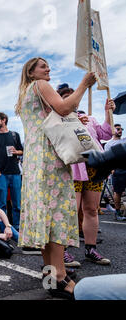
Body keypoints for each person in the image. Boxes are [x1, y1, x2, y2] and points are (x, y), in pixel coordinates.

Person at [15, 56, 96, 299]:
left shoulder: (25, 94)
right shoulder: (40, 84)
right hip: (50, 156)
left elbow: (52, 117)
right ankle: (60, 277)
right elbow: (63, 107)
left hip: (34, 159)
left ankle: (50, 275)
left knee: (44, 215)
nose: (48, 69)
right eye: (43, 66)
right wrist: (83, 85)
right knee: (57, 213)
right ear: (32, 72)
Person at [58, 85, 114, 266]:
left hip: (94, 167)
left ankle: (91, 248)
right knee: (70, 210)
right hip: (73, 169)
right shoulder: (57, 119)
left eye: (72, 95)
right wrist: (72, 123)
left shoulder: (90, 118)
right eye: (65, 96)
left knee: (91, 209)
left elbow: (106, 133)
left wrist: (108, 113)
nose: (70, 99)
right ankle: (62, 251)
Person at [0, 112, 23, 231]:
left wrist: (16, 152)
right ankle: (4, 227)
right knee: (1, 203)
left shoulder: (14, 135)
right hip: (1, 173)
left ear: (4, 120)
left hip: (15, 172)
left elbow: (22, 151)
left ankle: (17, 227)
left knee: (17, 202)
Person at [104, 124, 126, 221]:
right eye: (118, 129)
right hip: (118, 170)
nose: (120, 130)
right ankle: (117, 212)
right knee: (118, 192)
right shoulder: (109, 144)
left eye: (121, 129)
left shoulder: (124, 140)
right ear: (113, 130)